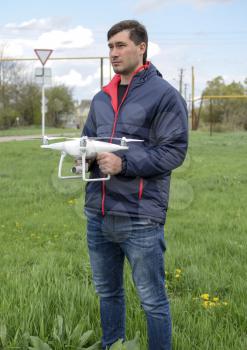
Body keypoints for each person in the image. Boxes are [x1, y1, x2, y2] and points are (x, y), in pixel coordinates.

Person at [81, 20, 188, 350]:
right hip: (98, 214)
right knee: (108, 293)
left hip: (140, 217)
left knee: (152, 301)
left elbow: (174, 150)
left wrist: (124, 164)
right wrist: (81, 156)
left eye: (121, 45)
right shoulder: (102, 97)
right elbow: (88, 140)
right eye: (110, 46)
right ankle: (113, 345)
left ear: (141, 47)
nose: (113, 52)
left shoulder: (165, 96)